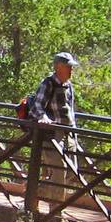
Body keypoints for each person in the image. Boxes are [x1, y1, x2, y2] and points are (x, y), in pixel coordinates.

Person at [26, 51, 80, 205]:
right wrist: (43, 118)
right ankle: (55, 213)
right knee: (59, 171)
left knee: (72, 171)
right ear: (58, 67)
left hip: (68, 132)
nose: (71, 70)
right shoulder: (48, 83)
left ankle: (35, 189)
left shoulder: (68, 86)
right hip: (52, 135)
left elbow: (71, 111)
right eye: (68, 67)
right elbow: (36, 106)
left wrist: (75, 134)